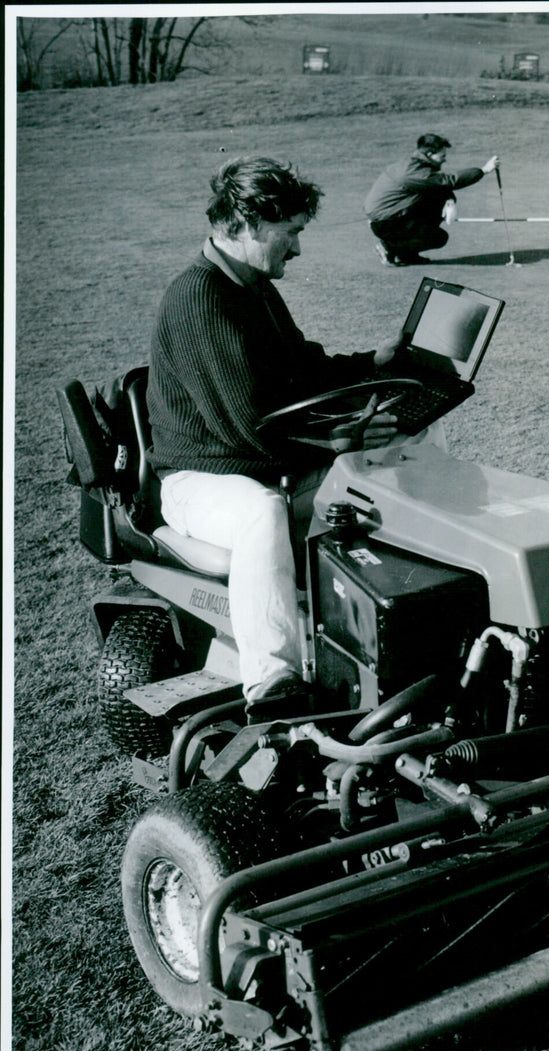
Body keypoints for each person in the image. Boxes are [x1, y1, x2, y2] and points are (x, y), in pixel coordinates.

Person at [146, 156, 400, 718]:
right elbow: (252, 428)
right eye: (291, 234)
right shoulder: (200, 300)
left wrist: (372, 366)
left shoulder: (251, 285)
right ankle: (272, 682)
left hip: (256, 458)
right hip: (204, 477)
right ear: (248, 223)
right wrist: (338, 439)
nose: (299, 249)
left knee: (404, 445)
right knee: (262, 512)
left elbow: (301, 370)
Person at [365, 133, 499, 266]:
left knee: (437, 202)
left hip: (389, 217)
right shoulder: (414, 173)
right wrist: (484, 170)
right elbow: (449, 181)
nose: (445, 160)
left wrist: (449, 201)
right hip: (386, 223)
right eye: (442, 156)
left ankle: (406, 255)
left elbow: (437, 188)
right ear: (429, 155)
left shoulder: (412, 164)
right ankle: (389, 248)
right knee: (438, 238)